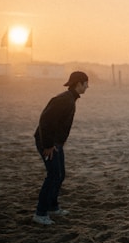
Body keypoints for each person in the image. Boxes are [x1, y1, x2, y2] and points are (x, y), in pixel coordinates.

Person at [32, 71, 89, 225]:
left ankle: (52, 207)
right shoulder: (64, 100)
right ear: (79, 84)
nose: (88, 86)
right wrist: (48, 145)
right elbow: (45, 120)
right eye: (86, 83)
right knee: (53, 175)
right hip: (47, 143)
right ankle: (40, 213)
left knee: (60, 174)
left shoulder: (70, 98)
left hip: (55, 143)